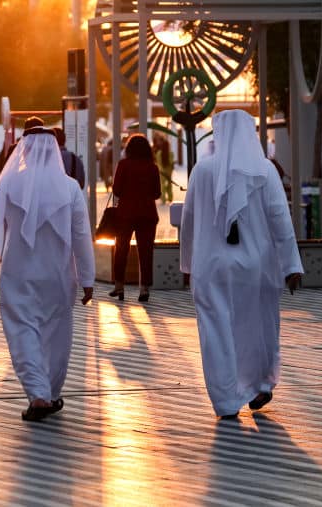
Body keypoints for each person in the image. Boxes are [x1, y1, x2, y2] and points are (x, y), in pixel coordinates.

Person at [180, 109, 303, 419]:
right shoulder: (264, 170)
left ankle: (225, 401)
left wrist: (186, 266)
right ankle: (260, 384)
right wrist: (292, 266)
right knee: (258, 328)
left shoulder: (201, 170)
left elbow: (189, 221)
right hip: (256, 267)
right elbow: (280, 219)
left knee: (216, 332)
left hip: (209, 266)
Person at [0, 127, 94, 421]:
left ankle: (38, 394)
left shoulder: (9, 182)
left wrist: (1, 254)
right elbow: (82, 236)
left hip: (17, 271)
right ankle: (48, 391)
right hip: (58, 274)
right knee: (56, 334)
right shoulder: (70, 187)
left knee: (22, 330)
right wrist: (87, 279)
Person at [109, 134, 161, 302]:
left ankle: (119, 287)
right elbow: (157, 193)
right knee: (146, 251)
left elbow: (116, 190)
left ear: (129, 149)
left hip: (126, 213)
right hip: (147, 214)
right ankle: (144, 289)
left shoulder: (123, 165)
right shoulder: (152, 167)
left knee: (121, 249)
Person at [153, 134, 175, 204]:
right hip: (169, 172)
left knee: (162, 185)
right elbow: (171, 163)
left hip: (161, 171)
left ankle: (163, 199)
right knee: (169, 185)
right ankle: (170, 198)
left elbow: (157, 162)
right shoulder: (171, 153)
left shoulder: (159, 153)